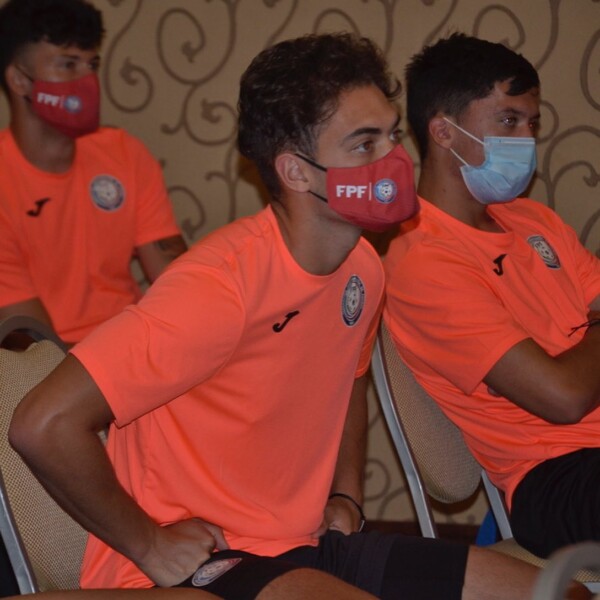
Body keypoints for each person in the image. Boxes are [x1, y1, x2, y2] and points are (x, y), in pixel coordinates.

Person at [9, 32, 577, 600]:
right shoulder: (217, 287)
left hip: (303, 544)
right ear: (297, 172)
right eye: (363, 144)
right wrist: (149, 545)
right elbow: (42, 423)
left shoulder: (363, 268)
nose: (395, 160)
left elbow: (349, 377)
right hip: (207, 557)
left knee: (559, 593)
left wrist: (347, 494)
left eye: (391, 135)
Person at [383, 32, 600, 561]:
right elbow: (564, 398)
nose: (527, 139)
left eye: (532, 123)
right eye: (508, 121)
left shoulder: (534, 220)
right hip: (555, 475)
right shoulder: (422, 260)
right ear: (443, 131)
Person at [0, 0, 187, 346]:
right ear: (19, 80)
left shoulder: (124, 154)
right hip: (51, 363)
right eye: (68, 64)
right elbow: (30, 343)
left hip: (132, 346)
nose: (87, 80)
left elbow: (180, 284)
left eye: (92, 64)